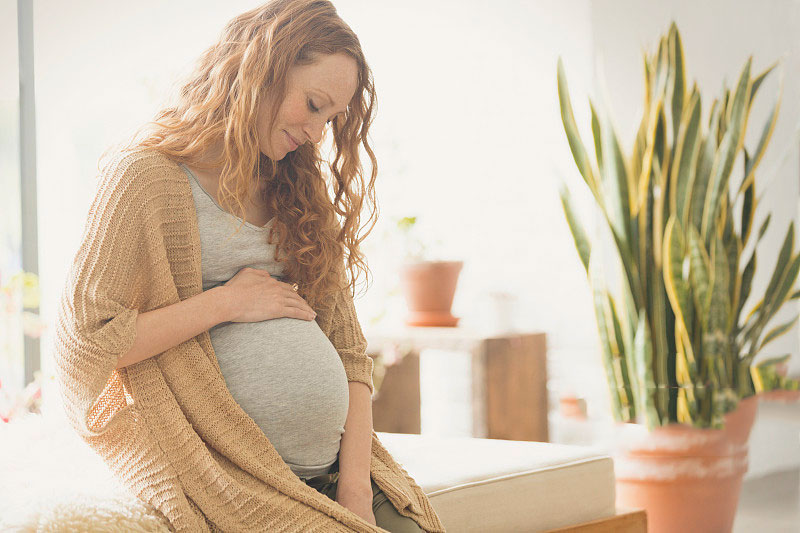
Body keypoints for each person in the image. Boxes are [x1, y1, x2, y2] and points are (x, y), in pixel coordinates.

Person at [52, 1, 445, 532]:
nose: (315, 132)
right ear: (262, 68)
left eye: (329, 118)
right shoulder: (144, 178)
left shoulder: (298, 191)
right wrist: (226, 303)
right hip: (229, 478)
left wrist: (355, 492)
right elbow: (87, 347)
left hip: (337, 477)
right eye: (311, 104)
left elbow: (350, 353)